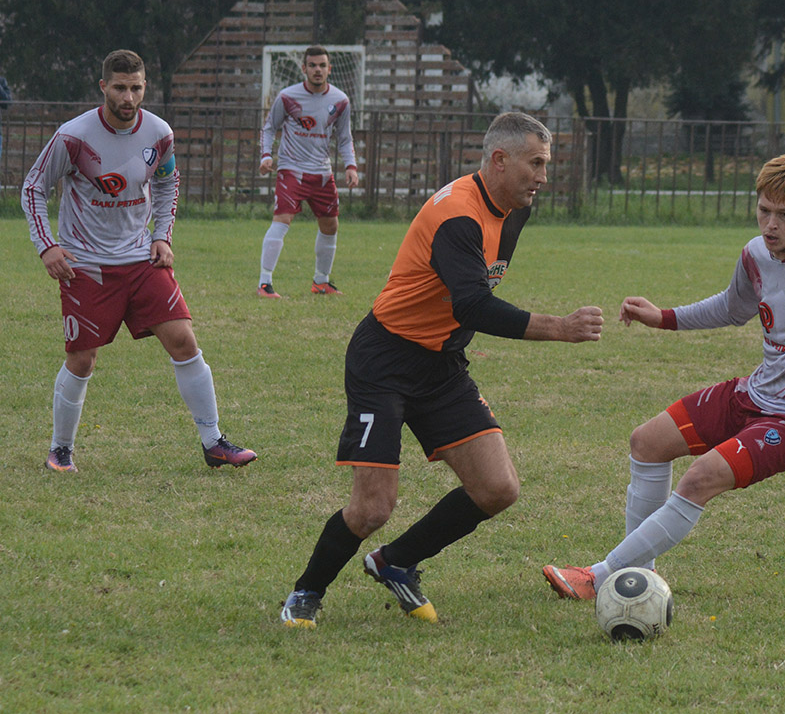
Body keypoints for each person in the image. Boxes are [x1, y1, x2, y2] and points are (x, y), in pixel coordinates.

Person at [542, 154, 785, 600]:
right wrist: (661, 316)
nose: (770, 225)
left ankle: (600, 578)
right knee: (647, 442)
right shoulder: (756, 254)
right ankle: (638, 582)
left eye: (784, 214)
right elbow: (731, 308)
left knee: (699, 479)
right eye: (764, 211)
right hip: (755, 394)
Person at [281, 112, 604, 628]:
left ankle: (396, 561)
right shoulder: (459, 214)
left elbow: (470, 301)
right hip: (385, 361)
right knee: (371, 509)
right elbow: (473, 304)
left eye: (547, 164)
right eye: (536, 163)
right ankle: (305, 593)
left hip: (442, 366)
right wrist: (559, 327)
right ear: (500, 161)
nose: (544, 176)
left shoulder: (515, 207)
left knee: (498, 488)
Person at [21, 49, 256, 473]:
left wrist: (162, 236)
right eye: (120, 88)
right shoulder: (74, 136)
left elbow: (168, 185)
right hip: (87, 265)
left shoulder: (160, 133)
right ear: (103, 88)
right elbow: (33, 187)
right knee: (82, 359)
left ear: (145, 86)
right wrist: (47, 246)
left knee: (184, 339)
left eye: (136, 88)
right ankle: (61, 450)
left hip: (140, 260)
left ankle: (213, 441)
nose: (128, 97)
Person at [256, 45, 359, 298]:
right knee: (282, 219)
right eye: (312, 65)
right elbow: (269, 128)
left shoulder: (340, 100)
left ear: (329, 69)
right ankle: (264, 283)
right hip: (292, 169)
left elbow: (345, 139)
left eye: (322, 66)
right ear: (304, 68)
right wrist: (267, 155)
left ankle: (321, 282)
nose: (317, 70)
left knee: (330, 225)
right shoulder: (287, 97)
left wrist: (351, 166)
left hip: (322, 173)